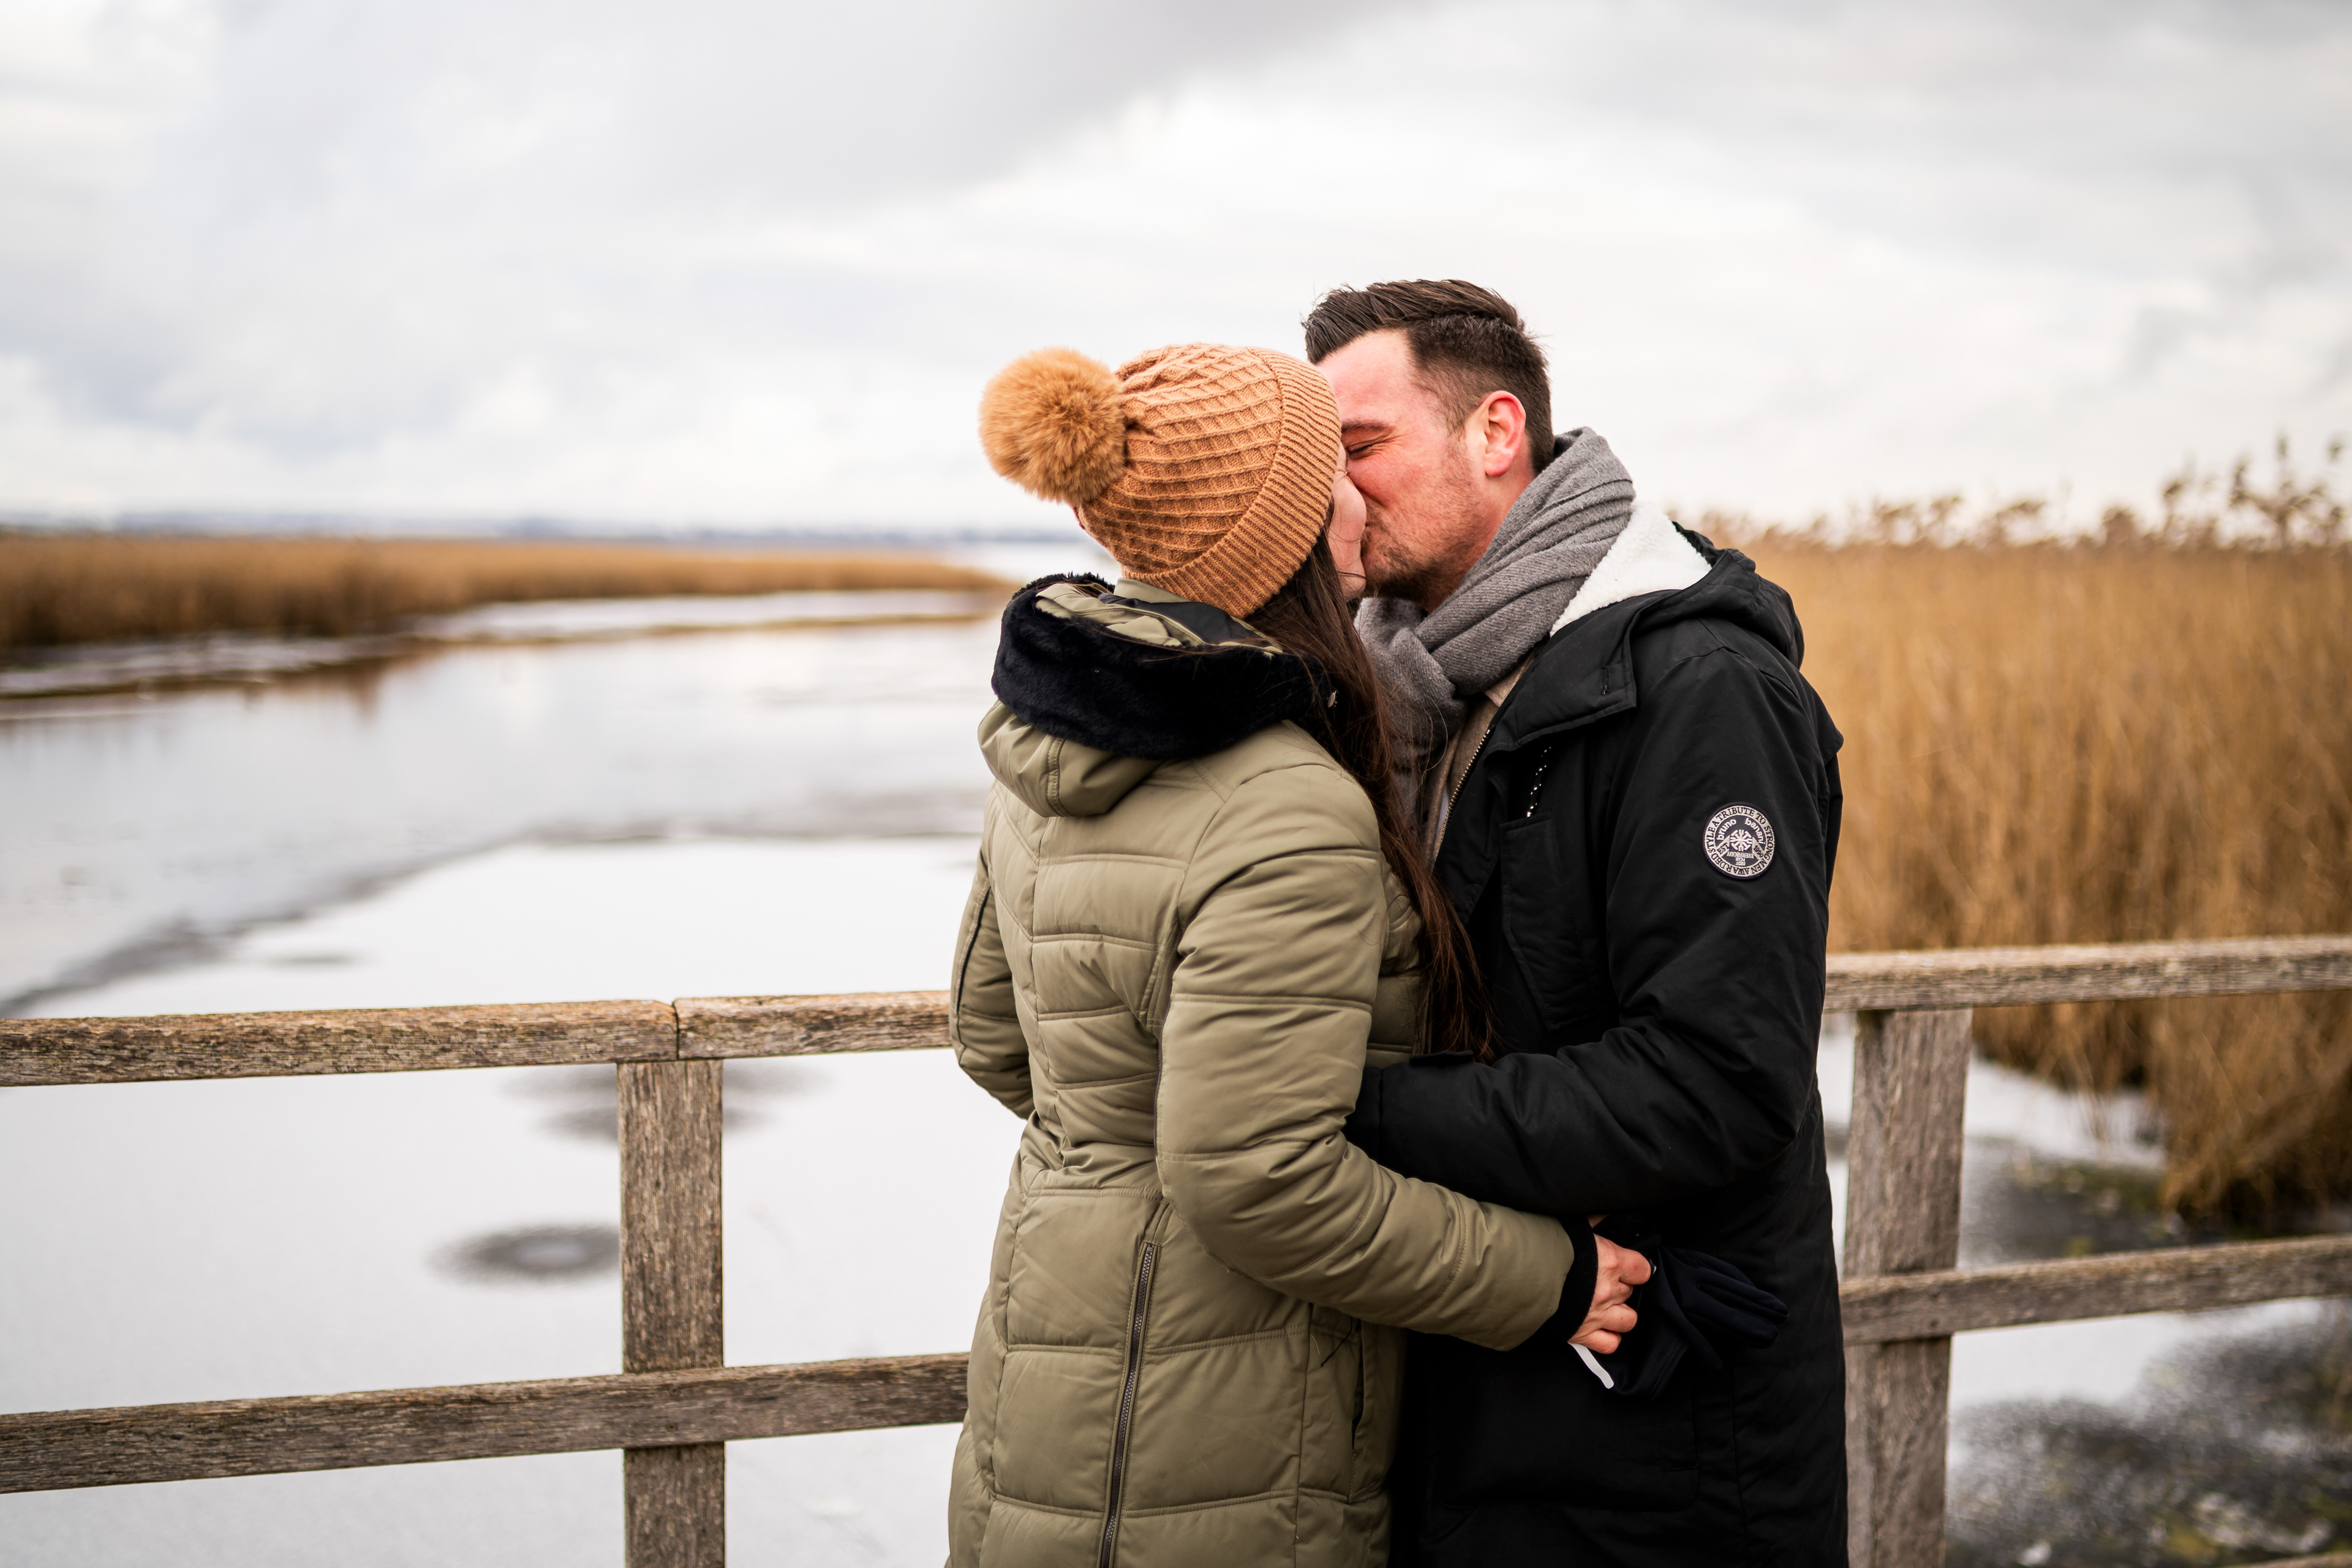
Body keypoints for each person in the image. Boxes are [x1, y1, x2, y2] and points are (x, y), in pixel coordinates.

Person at [944, 341, 1651, 1567]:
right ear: (1280, 531)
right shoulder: (1284, 801)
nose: (1358, 500)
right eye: (1333, 471)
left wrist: (1148, 1148)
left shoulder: (1050, 745)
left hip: (1049, 1377)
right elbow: (1258, 1180)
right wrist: (1547, 1278)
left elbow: (995, 1038)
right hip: (1225, 1420)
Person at [1308, 280, 1847, 1564]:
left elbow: (1717, 1083)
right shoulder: (1404, 686)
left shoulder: (1701, 690)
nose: (1335, 493)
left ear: (1497, 431)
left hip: (1662, 1423)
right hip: (1483, 1385)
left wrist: (1344, 1112)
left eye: (1363, 446)